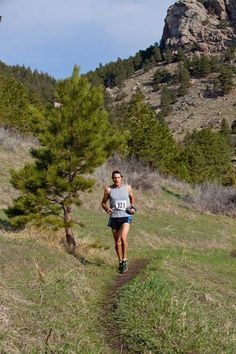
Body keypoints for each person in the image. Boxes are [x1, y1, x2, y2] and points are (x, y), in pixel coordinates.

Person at [101, 170, 136, 273]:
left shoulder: (127, 188)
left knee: (124, 239)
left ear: (121, 178)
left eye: (118, 177)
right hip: (114, 217)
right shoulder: (108, 190)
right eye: (115, 178)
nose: (117, 179)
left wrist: (132, 206)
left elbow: (132, 198)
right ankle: (120, 261)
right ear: (112, 179)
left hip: (126, 216)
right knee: (117, 242)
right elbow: (103, 203)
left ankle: (124, 259)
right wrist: (107, 209)